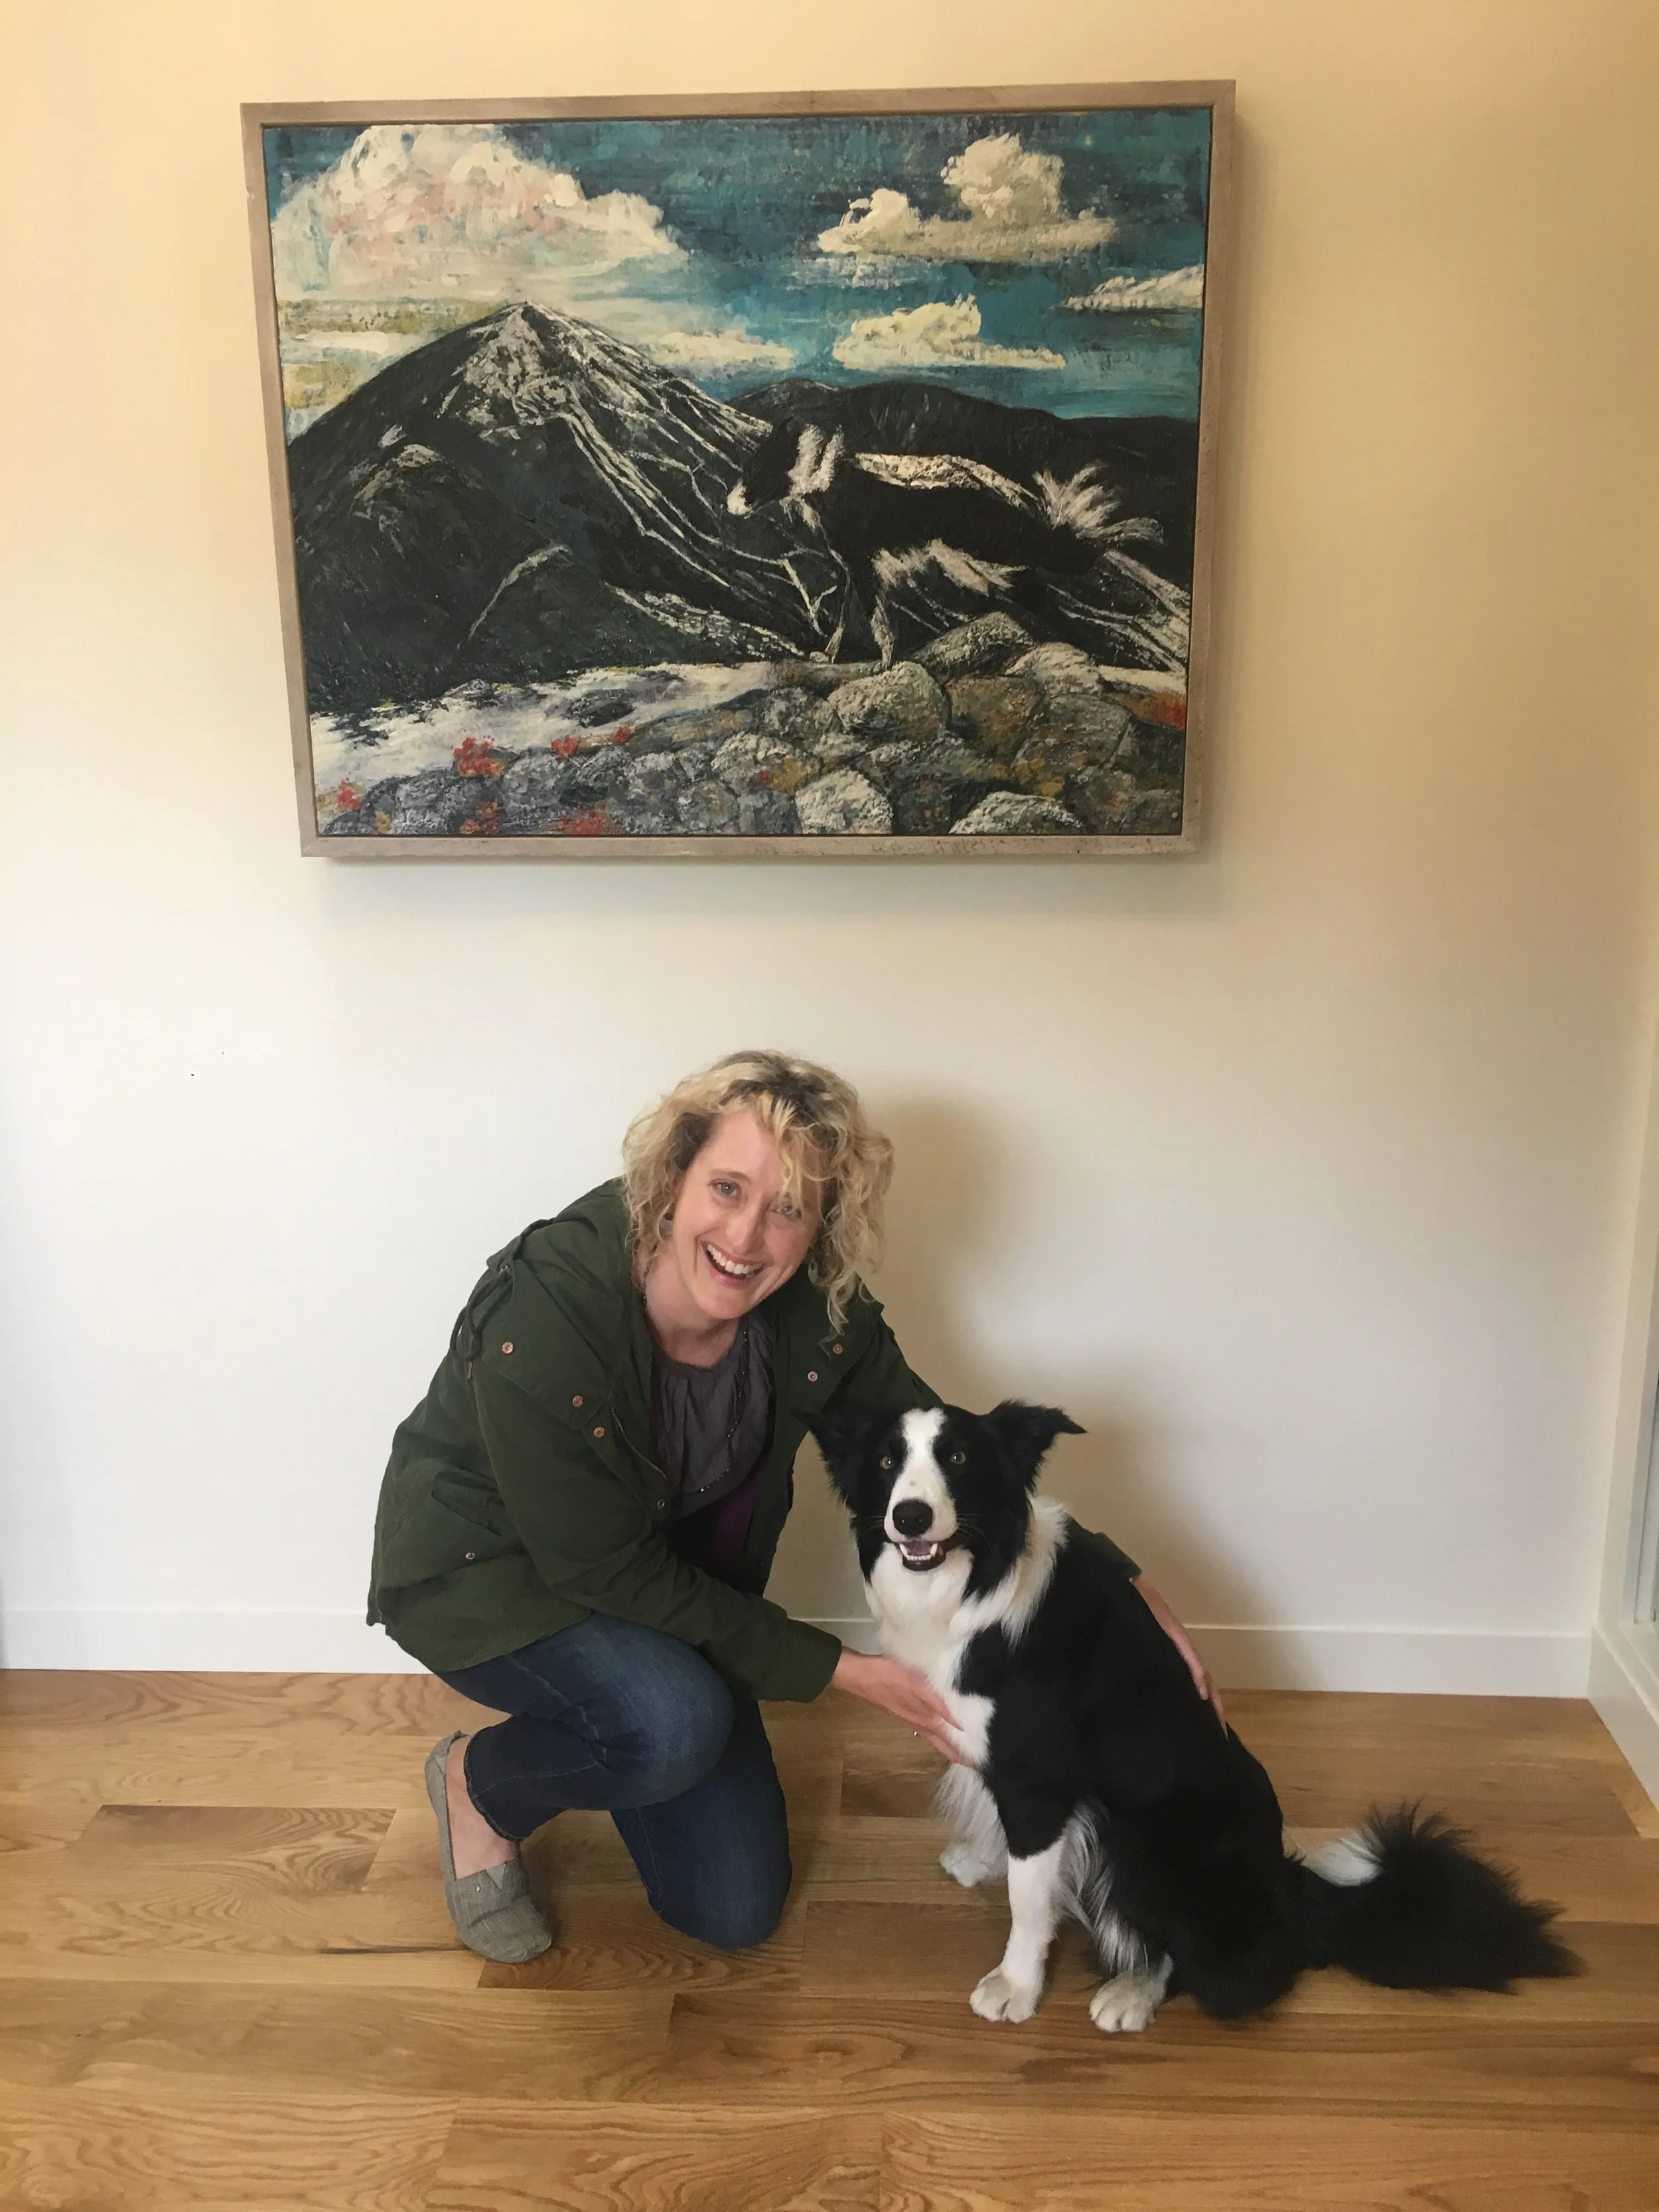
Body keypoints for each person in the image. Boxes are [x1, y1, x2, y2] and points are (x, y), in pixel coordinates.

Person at [367, 1050, 1222, 1962]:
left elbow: (953, 1463)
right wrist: (847, 1672)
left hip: (663, 1590)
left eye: (788, 1209)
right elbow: (604, 1570)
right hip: (491, 1576)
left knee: (730, 1909)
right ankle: (481, 1788)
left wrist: (1119, 1579)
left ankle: (626, 1723)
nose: (746, 1236)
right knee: (672, 1724)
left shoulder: (817, 1313)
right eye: (727, 1188)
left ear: (821, 1227)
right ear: (672, 1178)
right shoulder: (547, 1309)